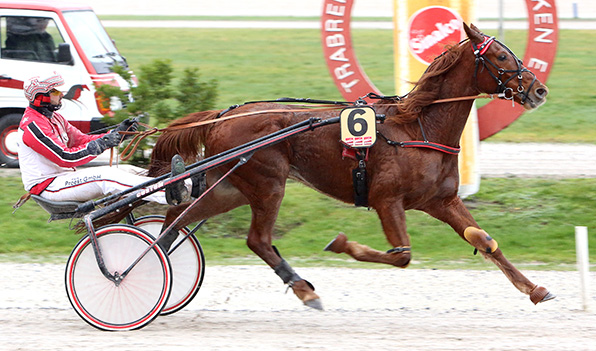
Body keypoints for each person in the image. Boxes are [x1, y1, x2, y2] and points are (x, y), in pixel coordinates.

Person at [17, 72, 190, 206]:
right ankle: (166, 193)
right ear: (40, 96)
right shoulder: (33, 127)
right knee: (105, 176)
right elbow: (65, 158)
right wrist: (102, 144)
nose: (61, 94)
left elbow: (82, 140)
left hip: (63, 179)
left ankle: (186, 185)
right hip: (48, 187)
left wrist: (117, 135)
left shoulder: (54, 118)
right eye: (55, 91)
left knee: (128, 170)